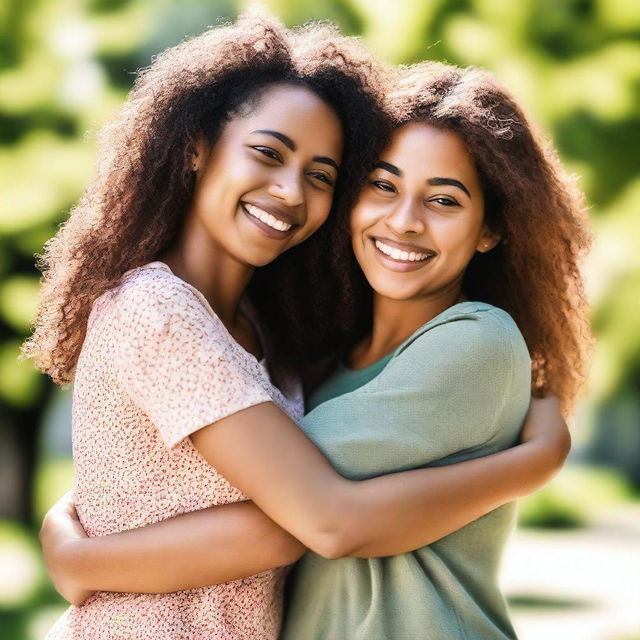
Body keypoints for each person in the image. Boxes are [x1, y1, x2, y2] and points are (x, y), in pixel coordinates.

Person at [35, 25, 574, 640]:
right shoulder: (159, 310)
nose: (290, 191)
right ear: (196, 146)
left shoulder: (266, 334)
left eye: (321, 174)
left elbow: (267, 505)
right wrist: (532, 462)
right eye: (267, 153)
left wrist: (77, 551)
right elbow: (305, 520)